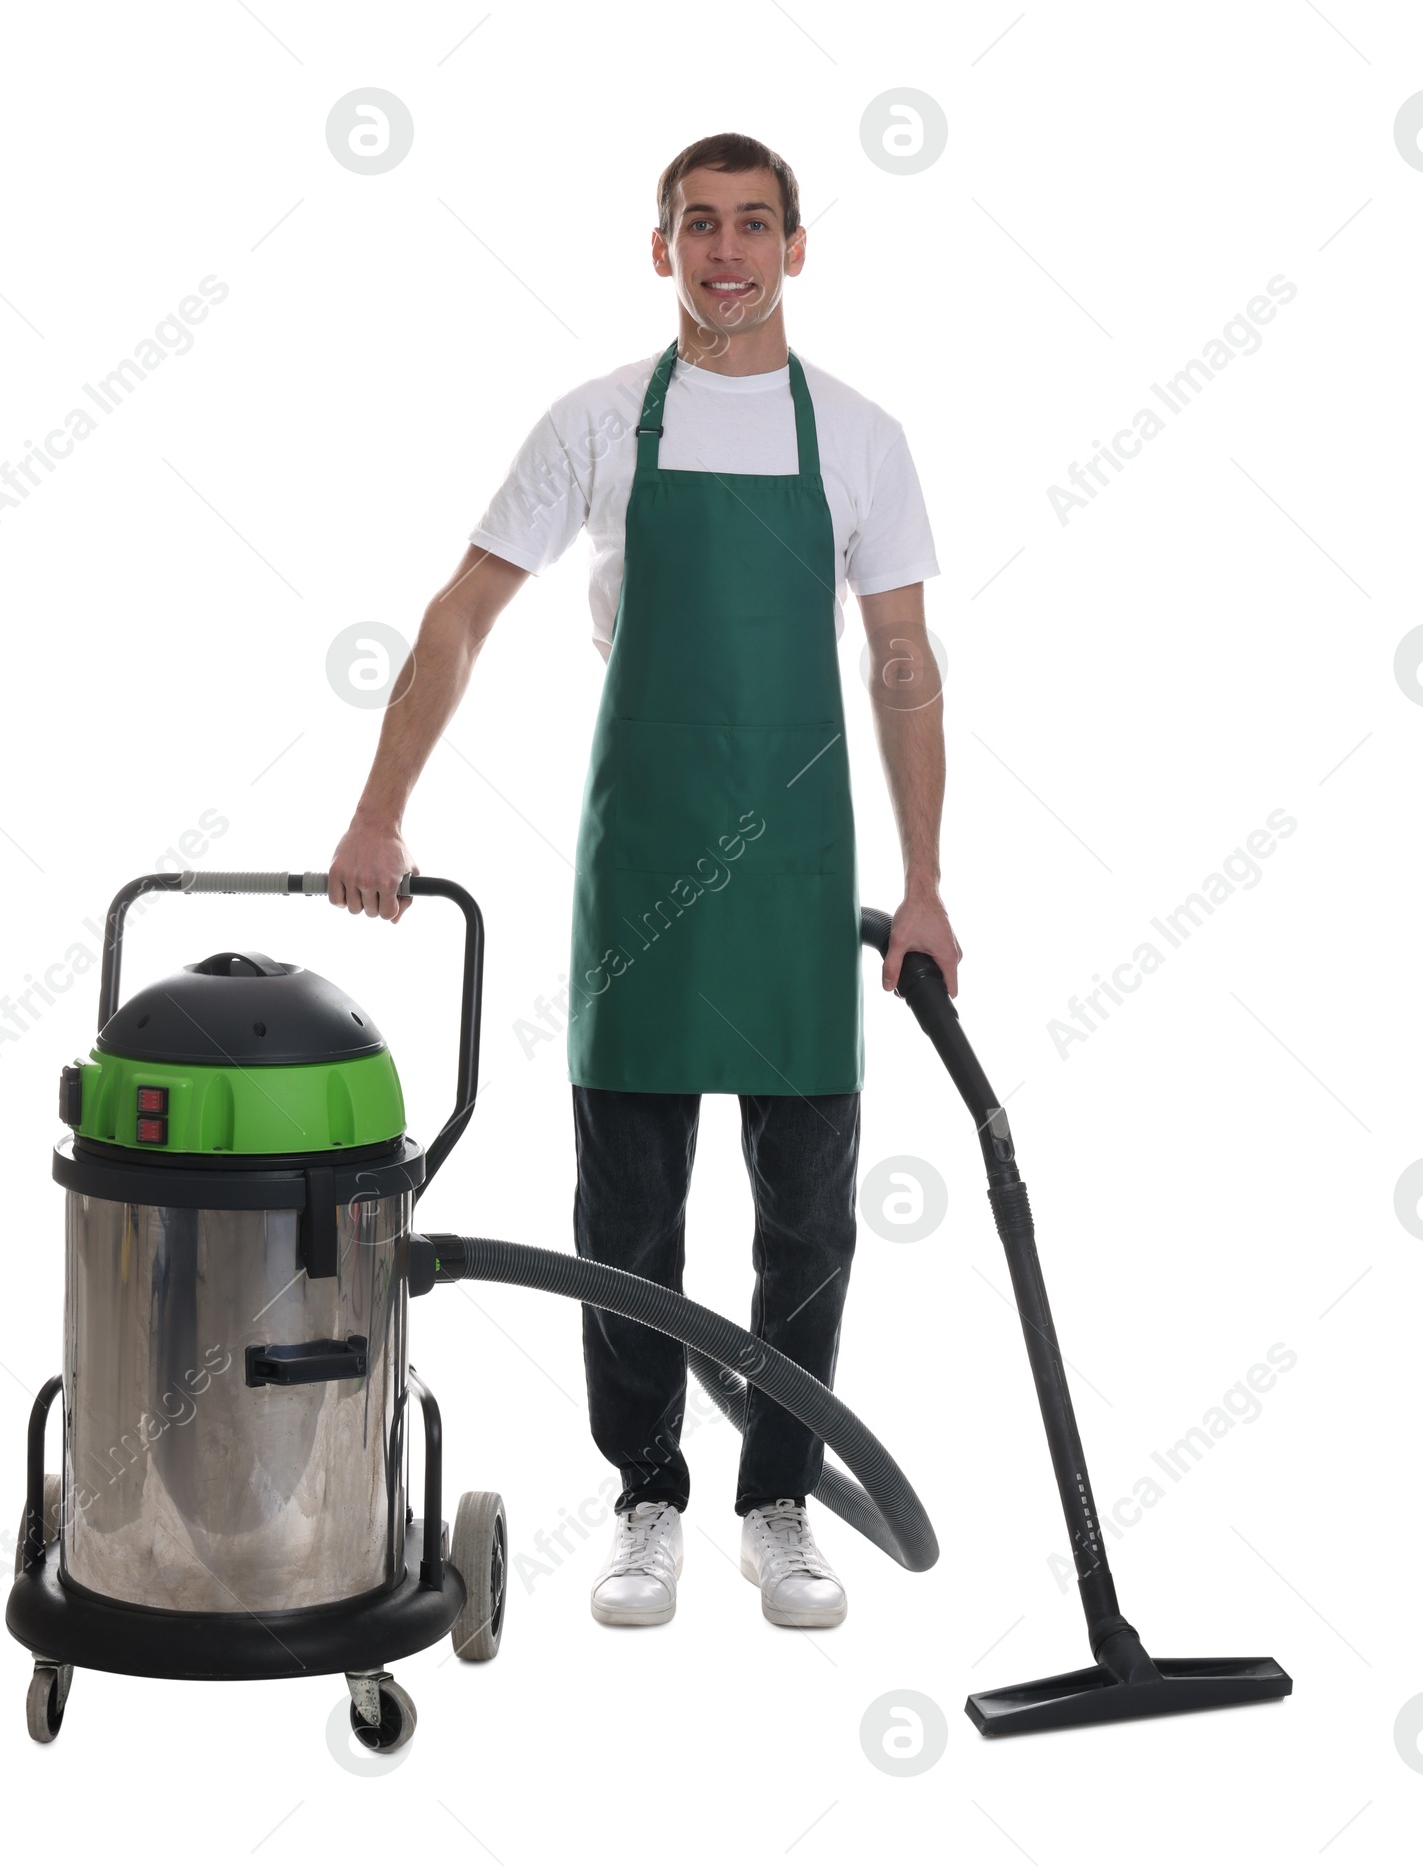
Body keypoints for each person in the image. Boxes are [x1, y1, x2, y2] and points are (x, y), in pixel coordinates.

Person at [329, 131, 959, 1631]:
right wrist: (378, 813)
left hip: (802, 878)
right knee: (628, 1215)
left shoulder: (860, 437)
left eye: (753, 226)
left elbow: (902, 665)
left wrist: (927, 879)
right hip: (651, 867)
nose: (726, 252)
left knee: (807, 1214)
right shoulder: (600, 424)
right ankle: (647, 1497)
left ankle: (782, 1501)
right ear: (661, 247)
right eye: (698, 226)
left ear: (798, 248)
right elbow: (461, 616)